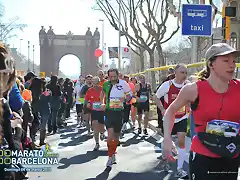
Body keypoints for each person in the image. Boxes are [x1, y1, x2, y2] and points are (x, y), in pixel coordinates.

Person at [163, 43, 240, 180]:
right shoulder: (193, 90)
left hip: (231, 156)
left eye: (234, 61)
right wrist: (167, 138)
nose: (232, 65)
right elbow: (171, 111)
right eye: (226, 61)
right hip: (203, 157)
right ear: (211, 64)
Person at [154, 64, 189, 178]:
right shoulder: (167, 85)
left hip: (182, 117)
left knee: (181, 140)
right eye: (182, 72)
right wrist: (163, 109)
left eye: (186, 73)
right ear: (175, 73)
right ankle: (165, 160)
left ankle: (180, 168)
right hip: (169, 118)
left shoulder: (188, 85)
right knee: (167, 143)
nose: (184, 75)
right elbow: (156, 97)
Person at [100, 68, 132, 168]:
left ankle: (113, 153)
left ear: (118, 75)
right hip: (109, 112)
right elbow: (102, 93)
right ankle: (110, 157)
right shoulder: (106, 84)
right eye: (110, 77)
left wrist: (126, 98)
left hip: (119, 112)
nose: (112, 78)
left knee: (116, 137)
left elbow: (129, 95)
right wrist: (102, 103)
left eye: (114, 76)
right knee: (110, 136)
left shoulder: (123, 84)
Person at [85, 76, 105, 151]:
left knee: (101, 126)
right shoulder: (90, 90)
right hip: (94, 111)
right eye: (94, 82)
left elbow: (106, 99)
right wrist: (86, 105)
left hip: (102, 110)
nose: (95, 84)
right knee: (95, 126)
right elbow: (86, 100)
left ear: (99, 82)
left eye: (97, 82)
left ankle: (102, 133)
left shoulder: (103, 89)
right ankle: (97, 143)